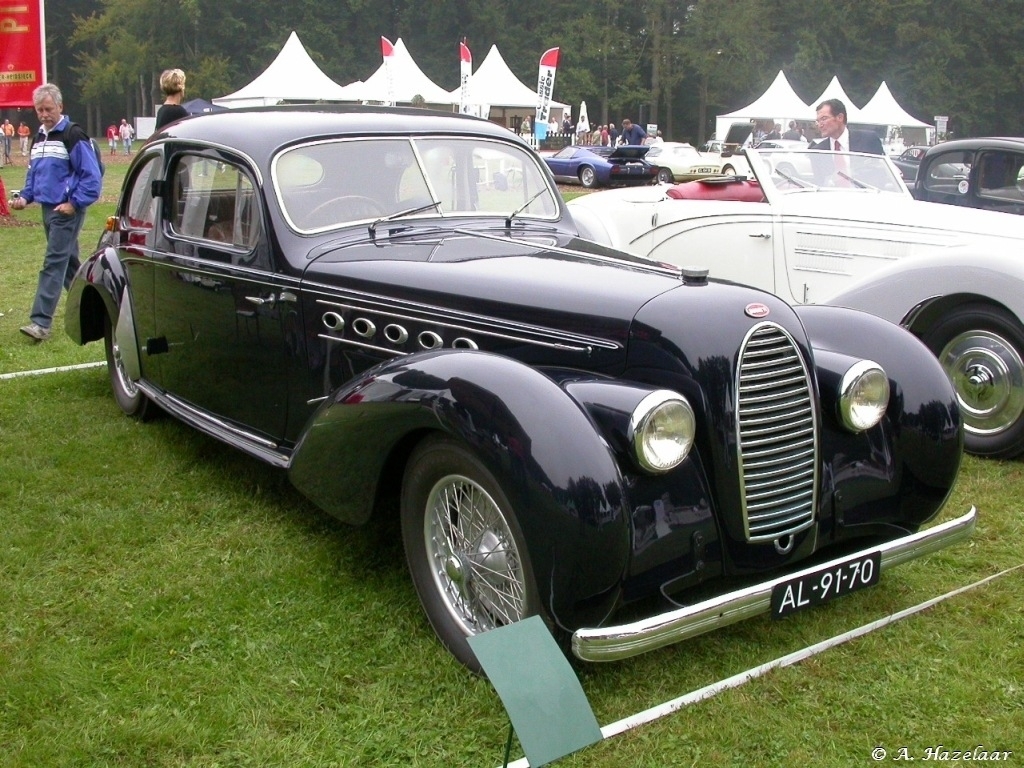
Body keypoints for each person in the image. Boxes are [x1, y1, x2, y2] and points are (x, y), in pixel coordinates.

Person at [7, 83, 102, 342]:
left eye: (48, 108)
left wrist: (74, 203)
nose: (44, 114)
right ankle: (97, 313)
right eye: (39, 110)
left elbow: (92, 177)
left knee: (53, 263)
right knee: (70, 266)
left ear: (60, 107)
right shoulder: (39, 138)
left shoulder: (73, 135)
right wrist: (25, 197)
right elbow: (34, 175)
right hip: (48, 211)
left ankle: (40, 323)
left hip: (66, 211)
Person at [809, 99, 884, 155]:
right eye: (818, 121)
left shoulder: (868, 140)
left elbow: (882, 171)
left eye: (824, 119)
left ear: (840, 117)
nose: (820, 125)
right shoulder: (818, 151)